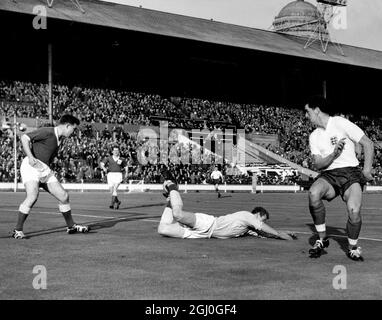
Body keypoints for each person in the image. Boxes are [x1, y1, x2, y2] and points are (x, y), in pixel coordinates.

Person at [304, 96, 374, 261]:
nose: (306, 116)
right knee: (313, 194)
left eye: (307, 112)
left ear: (316, 110)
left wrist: (366, 170)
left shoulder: (340, 122)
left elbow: (367, 143)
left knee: (354, 211)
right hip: (329, 175)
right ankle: (322, 240)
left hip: (350, 173)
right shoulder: (314, 136)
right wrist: (334, 154)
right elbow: (319, 164)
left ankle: (352, 248)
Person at [13, 114, 90, 239]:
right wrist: (31, 157)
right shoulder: (48, 132)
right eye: (73, 129)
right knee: (32, 196)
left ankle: (71, 226)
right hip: (31, 166)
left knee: (63, 196)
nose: (73, 132)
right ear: (67, 126)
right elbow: (24, 137)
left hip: (44, 169)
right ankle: (18, 230)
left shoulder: (60, 139)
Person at [157, 179, 297, 240]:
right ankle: (172, 186)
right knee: (178, 214)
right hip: (208, 224)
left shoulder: (248, 229)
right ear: (257, 214)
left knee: (163, 229)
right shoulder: (247, 215)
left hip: (204, 235)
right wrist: (279, 233)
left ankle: (170, 200)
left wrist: (285, 233)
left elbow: (266, 234)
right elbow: (266, 229)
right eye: (262, 219)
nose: (260, 224)